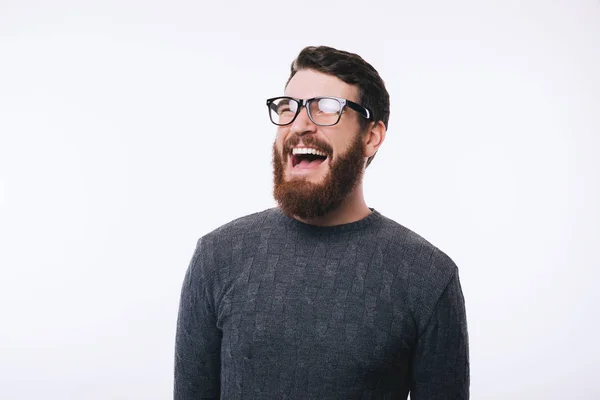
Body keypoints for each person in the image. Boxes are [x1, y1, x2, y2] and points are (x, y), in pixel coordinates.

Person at [174, 45, 469, 399]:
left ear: (371, 136)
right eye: (289, 108)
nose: (300, 125)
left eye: (326, 108)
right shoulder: (218, 257)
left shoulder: (428, 276)